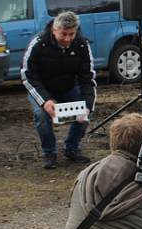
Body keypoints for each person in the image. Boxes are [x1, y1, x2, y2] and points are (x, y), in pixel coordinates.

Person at [22, 11, 97, 169]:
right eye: (64, 34)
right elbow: (27, 76)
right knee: (42, 116)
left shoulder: (82, 44)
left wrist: (88, 105)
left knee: (85, 112)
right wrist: (45, 101)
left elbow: (88, 78)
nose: (68, 39)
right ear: (54, 30)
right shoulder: (38, 44)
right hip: (42, 89)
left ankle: (72, 148)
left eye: (72, 34)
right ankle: (49, 153)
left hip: (69, 88)